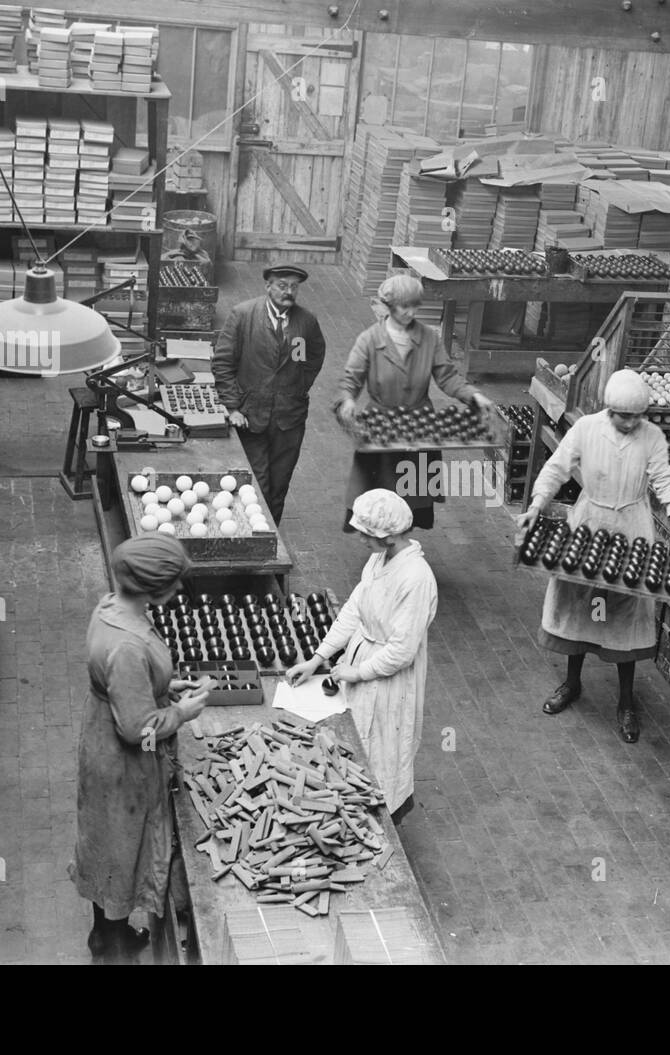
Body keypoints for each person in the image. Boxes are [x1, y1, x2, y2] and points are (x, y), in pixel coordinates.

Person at [517, 369, 670, 743]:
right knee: (578, 604)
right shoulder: (586, 428)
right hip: (590, 521)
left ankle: (626, 701)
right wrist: (536, 506)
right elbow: (556, 468)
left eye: (637, 416)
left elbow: (666, 483)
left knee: (625, 612)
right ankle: (571, 683)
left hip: (633, 525)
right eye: (623, 416)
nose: (631, 423)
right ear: (609, 409)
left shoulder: (652, 437)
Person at [69, 535, 210, 962]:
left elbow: (127, 685)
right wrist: (181, 712)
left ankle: (104, 932)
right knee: (120, 848)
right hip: (122, 763)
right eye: (174, 584)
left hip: (100, 739)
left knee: (108, 845)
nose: (178, 592)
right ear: (156, 588)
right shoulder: (128, 646)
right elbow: (138, 731)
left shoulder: (110, 606)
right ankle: (110, 948)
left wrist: (162, 686)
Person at [284, 490, 437, 822]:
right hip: (364, 658)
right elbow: (353, 611)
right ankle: (354, 806)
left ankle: (383, 820)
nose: (362, 541)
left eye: (368, 535)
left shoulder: (416, 578)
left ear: (389, 534)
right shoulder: (379, 559)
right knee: (359, 739)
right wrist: (316, 658)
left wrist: (358, 672)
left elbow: (402, 651)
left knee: (384, 747)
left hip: (389, 678)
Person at [334, 274, 494, 531]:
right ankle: (383, 551)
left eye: (415, 306)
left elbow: (447, 376)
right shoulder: (370, 340)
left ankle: (401, 551)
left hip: (419, 431)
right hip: (381, 431)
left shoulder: (429, 338)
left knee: (410, 501)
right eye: (404, 306)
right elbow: (350, 379)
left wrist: (472, 395)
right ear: (389, 306)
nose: (411, 312)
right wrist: (348, 401)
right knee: (380, 501)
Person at [212, 264, 327, 524]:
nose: (289, 292)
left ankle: (270, 535)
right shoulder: (243, 315)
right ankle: (248, 530)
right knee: (257, 483)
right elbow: (223, 363)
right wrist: (232, 408)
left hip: (289, 419)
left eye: (294, 287)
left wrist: (298, 388)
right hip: (251, 417)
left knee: (279, 485)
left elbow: (313, 358)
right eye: (282, 285)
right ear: (268, 287)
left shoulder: (306, 322)